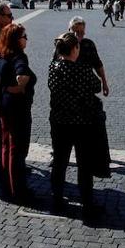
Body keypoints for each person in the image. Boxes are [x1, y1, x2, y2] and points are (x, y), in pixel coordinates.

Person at [45, 31, 106, 215]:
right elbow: (96, 86)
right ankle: (87, 203)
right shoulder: (82, 70)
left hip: (59, 122)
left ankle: (56, 199)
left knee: (59, 162)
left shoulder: (53, 67)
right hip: (82, 123)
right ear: (75, 48)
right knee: (84, 165)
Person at [0, 23, 34, 201]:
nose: (26, 39)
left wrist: (8, 88)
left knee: (5, 145)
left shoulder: (2, 54)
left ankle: (6, 186)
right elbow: (22, 74)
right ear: (16, 40)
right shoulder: (19, 56)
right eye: (24, 36)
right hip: (18, 107)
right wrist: (21, 86)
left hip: (3, 104)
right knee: (17, 149)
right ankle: (18, 190)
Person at [69, 16, 109, 96]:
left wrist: (104, 83)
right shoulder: (62, 45)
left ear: (84, 32)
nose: (77, 35)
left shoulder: (88, 45)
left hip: (86, 89)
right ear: (69, 30)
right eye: (75, 31)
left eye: (81, 32)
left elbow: (98, 65)